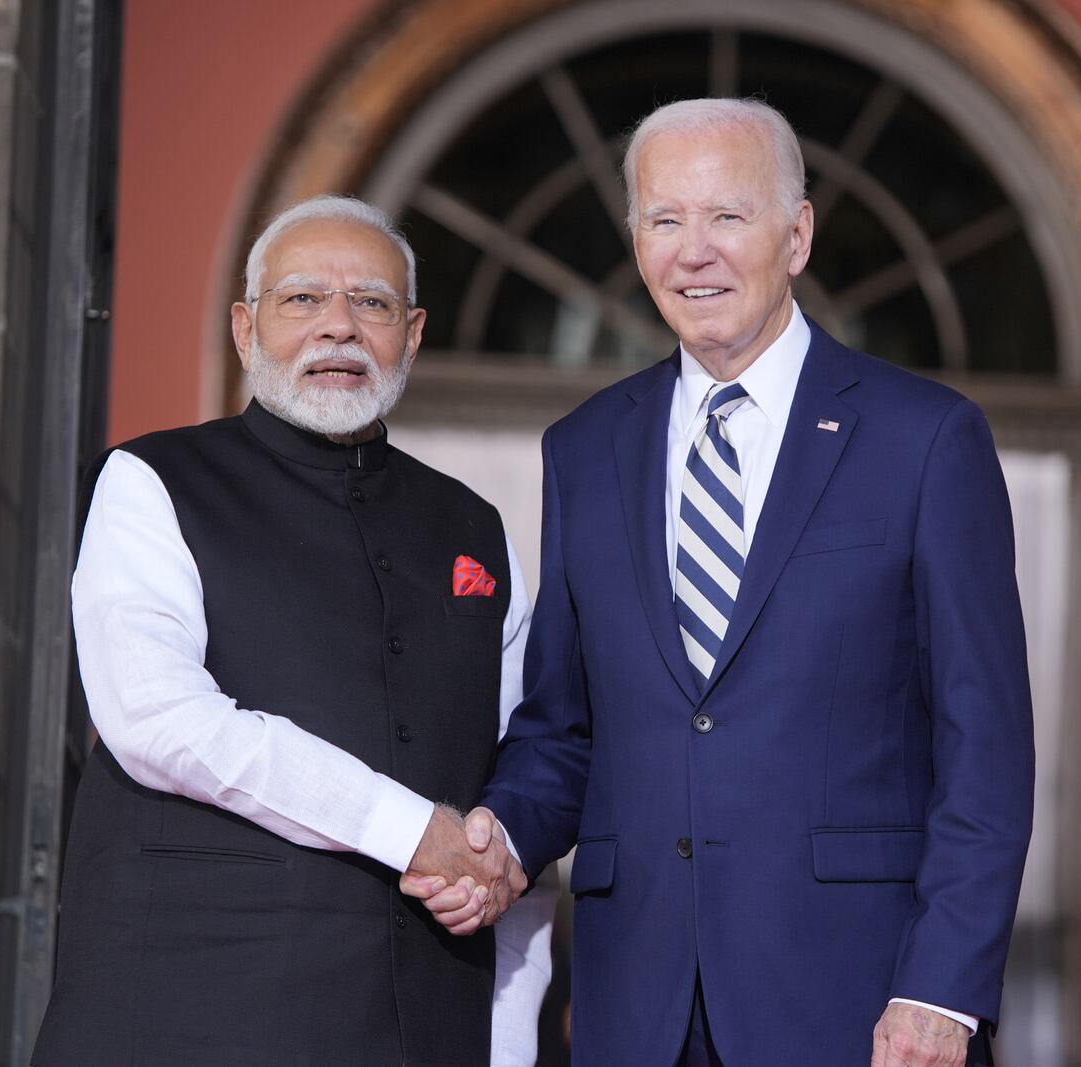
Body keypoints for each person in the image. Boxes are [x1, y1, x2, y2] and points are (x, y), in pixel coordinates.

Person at [407, 99, 1034, 1066]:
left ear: (798, 235)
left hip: (862, 1005)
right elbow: (563, 731)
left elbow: (985, 746)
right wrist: (496, 837)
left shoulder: (927, 439)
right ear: (635, 241)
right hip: (636, 1005)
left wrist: (941, 992)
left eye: (727, 217)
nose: (693, 252)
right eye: (665, 221)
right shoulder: (583, 449)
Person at [32, 195, 553, 1067]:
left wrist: (505, 1045)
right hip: (182, 1020)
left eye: (373, 303)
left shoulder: (475, 528)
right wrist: (405, 825)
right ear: (245, 329)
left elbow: (507, 806)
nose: (339, 328)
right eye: (303, 299)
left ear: (413, 335)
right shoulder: (153, 481)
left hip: (417, 1028)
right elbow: (159, 720)